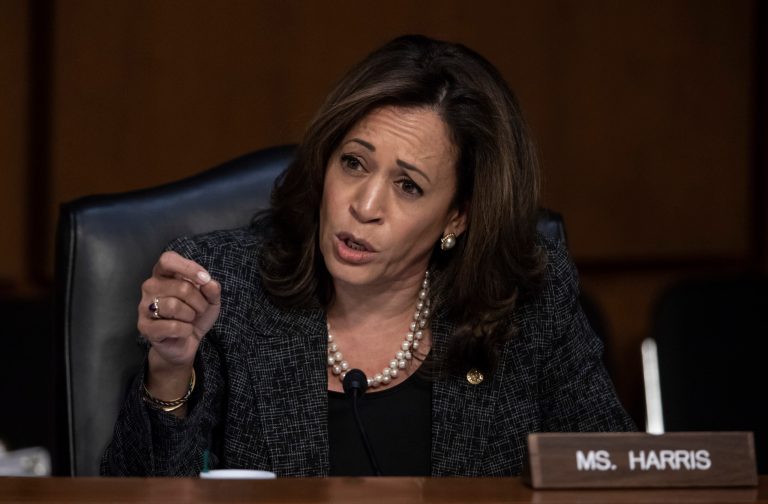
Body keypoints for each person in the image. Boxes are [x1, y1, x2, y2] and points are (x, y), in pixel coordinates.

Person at [102, 34, 634, 477]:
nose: (365, 205)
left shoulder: (526, 303)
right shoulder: (226, 287)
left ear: (458, 216)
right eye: (354, 163)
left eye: (408, 186)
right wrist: (170, 371)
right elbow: (136, 492)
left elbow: (617, 473)